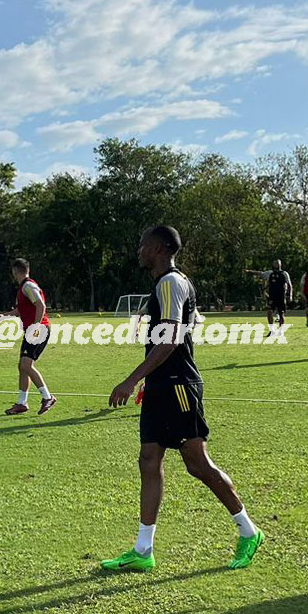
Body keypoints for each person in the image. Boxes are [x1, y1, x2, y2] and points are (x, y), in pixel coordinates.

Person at [103, 225, 263, 572]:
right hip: (163, 384)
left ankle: (248, 531)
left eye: (143, 244)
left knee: (197, 463)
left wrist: (132, 379)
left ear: (159, 248)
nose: (139, 250)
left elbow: (173, 338)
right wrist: (150, 380)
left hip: (178, 385)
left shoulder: (171, 282)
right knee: (149, 459)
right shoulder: (166, 284)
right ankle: (143, 550)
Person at [0, 258, 56, 415]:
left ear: (15, 271)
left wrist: (36, 326)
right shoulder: (24, 287)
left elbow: (41, 305)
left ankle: (47, 397)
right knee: (22, 366)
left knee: (26, 365)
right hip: (33, 330)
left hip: (38, 329)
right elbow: (19, 311)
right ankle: (22, 403)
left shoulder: (28, 286)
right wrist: (4, 316)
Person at [265, 259, 291, 333]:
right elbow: (261, 273)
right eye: (275, 263)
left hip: (281, 296)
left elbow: (289, 285)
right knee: (269, 312)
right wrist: (250, 272)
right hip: (272, 296)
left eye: (278, 263)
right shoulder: (270, 273)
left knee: (281, 313)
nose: (276, 264)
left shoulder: (284, 273)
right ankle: (271, 330)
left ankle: (281, 330)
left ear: (280, 264)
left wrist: (290, 295)